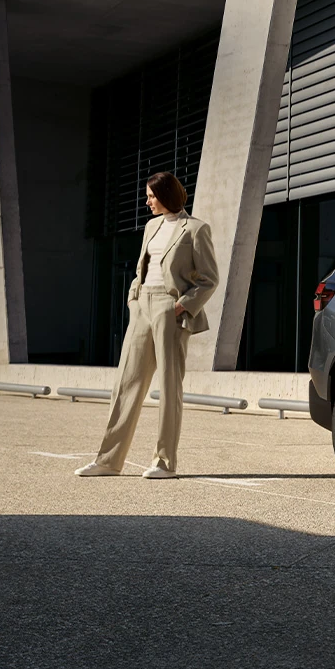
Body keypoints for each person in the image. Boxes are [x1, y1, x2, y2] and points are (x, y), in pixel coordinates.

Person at [76, 172, 220, 479]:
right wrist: (133, 299)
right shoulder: (152, 226)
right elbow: (143, 267)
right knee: (126, 383)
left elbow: (209, 279)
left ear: (167, 195)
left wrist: (181, 305)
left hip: (171, 308)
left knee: (169, 388)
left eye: (152, 196)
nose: (147, 201)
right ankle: (109, 460)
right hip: (143, 306)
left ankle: (164, 462)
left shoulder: (195, 229)